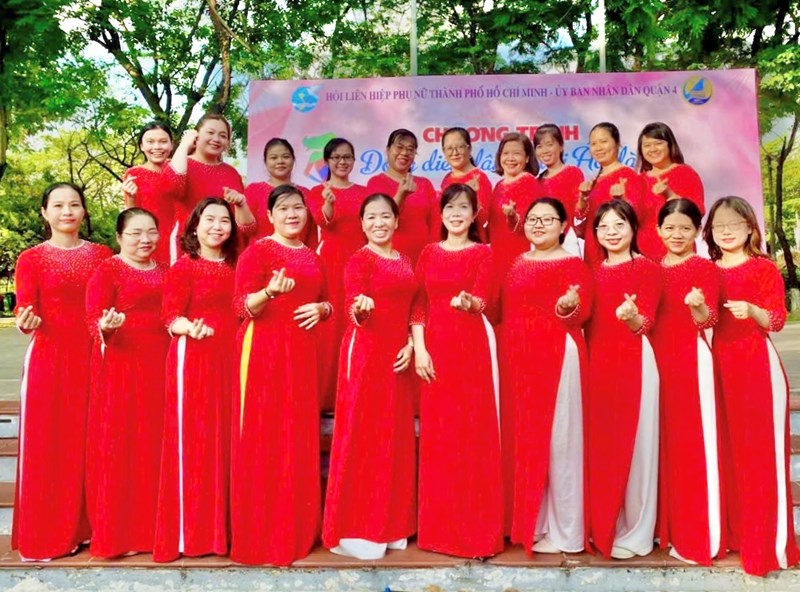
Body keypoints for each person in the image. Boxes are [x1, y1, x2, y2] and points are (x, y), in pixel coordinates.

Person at [230, 185, 331, 566]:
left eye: (298, 208)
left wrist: (322, 310)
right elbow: (241, 306)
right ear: (270, 215)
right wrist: (269, 293)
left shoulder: (313, 256)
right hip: (263, 351)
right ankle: (260, 534)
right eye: (284, 208)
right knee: (264, 435)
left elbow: (327, 301)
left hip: (302, 353)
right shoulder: (257, 252)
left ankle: (296, 529)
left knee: (297, 434)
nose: (292, 214)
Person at [11, 183, 112, 561]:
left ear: (84, 211)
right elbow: (25, 310)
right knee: (52, 442)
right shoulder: (31, 259)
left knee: (93, 440)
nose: (67, 211)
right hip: (50, 360)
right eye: (58, 205)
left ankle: (92, 527)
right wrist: (26, 320)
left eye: (74, 204)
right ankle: (50, 531)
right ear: (44, 212)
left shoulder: (102, 255)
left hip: (95, 355)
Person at [704, 196, 799, 576]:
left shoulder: (763, 268)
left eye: (734, 224)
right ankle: (736, 535)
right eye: (719, 226)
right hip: (716, 367)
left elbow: (776, 320)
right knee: (726, 454)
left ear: (750, 228)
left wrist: (753, 310)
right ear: (710, 232)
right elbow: (704, 319)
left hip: (756, 366)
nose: (726, 231)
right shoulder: (707, 270)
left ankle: (765, 543)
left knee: (759, 456)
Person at [323, 193, 417, 560]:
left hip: (398, 358)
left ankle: (390, 524)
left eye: (385, 216)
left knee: (393, 437)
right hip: (365, 354)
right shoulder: (358, 260)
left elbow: (414, 306)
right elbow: (353, 304)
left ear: (396, 221)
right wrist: (361, 310)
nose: (379, 223)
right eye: (371, 217)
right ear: (362, 224)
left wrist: (411, 342)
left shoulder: (404, 260)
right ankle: (353, 528)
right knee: (361, 435)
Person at [410, 184, 503, 558]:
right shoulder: (429, 253)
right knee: (440, 438)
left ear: (475, 213)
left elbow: (485, 299)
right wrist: (420, 349)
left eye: (463, 207)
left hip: (471, 351)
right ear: (441, 213)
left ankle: (474, 533)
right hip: (434, 352)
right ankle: (438, 532)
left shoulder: (484, 254)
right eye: (450, 207)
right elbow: (418, 305)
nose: (456, 214)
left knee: (472, 436)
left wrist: (470, 303)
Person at [500, 197, 592, 555]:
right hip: (520, 363)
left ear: (564, 225)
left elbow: (582, 311)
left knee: (560, 442)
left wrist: (567, 307)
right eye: (532, 219)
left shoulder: (573, 265)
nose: (538, 225)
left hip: (557, 356)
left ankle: (566, 530)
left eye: (547, 219)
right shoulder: (517, 261)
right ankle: (531, 523)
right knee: (526, 441)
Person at [153, 198, 240, 562]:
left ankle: (225, 531)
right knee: (196, 442)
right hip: (195, 359)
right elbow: (169, 317)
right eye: (210, 220)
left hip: (232, 359)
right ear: (194, 226)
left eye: (225, 221)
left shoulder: (239, 266)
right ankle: (193, 534)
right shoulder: (183, 268)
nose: (218, 226)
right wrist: (190, 327)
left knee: (228, 441)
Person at [85, 208, 169, 558]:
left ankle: (152, 531)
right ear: (119, 237)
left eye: (151, 232)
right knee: (121, 443)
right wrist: (105, 327)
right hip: (121, 366)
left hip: (160, 365)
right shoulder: (107, 271)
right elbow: (93, 318)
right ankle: (119, 534)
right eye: (135, 233)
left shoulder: (165, 271)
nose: (145, 239)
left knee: (154, 444)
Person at [585, 199, 661, 560]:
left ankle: (638, 531)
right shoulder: (591, 272)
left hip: (635, 361)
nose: (611, 233)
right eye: (603, 227)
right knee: (603, 447)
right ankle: (605, 524)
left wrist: (631, 317)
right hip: (597, 365)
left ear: (633, 228)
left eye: (619, 225)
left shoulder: (647, 269)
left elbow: (646, 323)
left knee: (639, 445)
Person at [650, 199, 723, 566]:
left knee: (689, 444)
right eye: (670, 228)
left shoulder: (704, 268)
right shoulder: (650, 268)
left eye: (685, 228)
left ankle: (694, 530)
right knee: (658, 443)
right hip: (653, 361)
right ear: (658, 230)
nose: (677, 234)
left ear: (697, 231)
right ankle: (662, 525)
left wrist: (697, 305)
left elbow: (709, 320)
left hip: (690, 362)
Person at [307, 138, 368, 410]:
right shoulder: (317, 191)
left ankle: (355, 391)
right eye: (336, 157)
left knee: (356, 322)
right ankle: (326, 397)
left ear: (353, 161)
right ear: (327, 161)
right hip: (329, 263)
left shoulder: (365, 193)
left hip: (360, 262)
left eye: (347, 157)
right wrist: (329, 203)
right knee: (329, 328)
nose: (342, 162)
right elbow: (324, 221)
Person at [162, 113, 256, 259]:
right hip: (190, 248)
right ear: (196, 136)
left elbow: (247, 229)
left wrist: (240, 204)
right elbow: (171, 187)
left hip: (227, 253)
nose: (216, 139)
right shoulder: (182, 164)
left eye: (223, 136)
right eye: (210, 133)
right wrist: (184, 144)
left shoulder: (231, 173)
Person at [574, 122, 645, 267]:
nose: (598, 147)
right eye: (593, 144)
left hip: (616, 249)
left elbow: (638, 217)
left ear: (617, 143)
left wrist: (622, 200)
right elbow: (587, 218)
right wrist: (582, 199)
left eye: (603, 141)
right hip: (593, 247)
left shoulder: (628, 176)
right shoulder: (594, 180)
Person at [366, 129, 438, 263]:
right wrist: (401, 195)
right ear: (388, 150)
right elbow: (380, 220)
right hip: (390, 259)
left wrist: (434, 252)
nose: (404, 153)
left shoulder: (424, 184)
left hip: (424, 258)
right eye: (399, 147)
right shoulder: (376, 183)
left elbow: (435, 222)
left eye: (410, 149)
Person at [636, 122, 705, 260]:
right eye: (647, 145)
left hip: (678, 252)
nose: (652, 149)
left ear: (670, 144)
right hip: (644, 255)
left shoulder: (686, 173)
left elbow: (697, 212)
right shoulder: (639, 180)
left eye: (658, 143)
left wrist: (669, 195)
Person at [488, 132, 545, 276]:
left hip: (520, 255)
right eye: (506, 153)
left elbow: (531, 224)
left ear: (527, 158)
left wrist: (513, 217)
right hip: (497, 255)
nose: (510, 158)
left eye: (516, 153)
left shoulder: (529, 183)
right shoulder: (499, 185)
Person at [245, 138, 318, 247]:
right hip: (260, 255)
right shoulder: (254, 191)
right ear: (265, 162)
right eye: (273, 157)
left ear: (293, 160)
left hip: (297, 256)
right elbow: (245, 230)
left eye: (286, 156)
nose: (280, 161)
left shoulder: (306, 194)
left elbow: (312, 234)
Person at [122, 122, 175, 264]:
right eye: (150, 142)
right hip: (150, 241)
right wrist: (131, 197)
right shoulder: (134, 174)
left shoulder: (180, 170)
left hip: (181, 239)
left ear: (171, 145)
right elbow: (130, 218)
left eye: (163, 141)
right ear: (142, 146)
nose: (157, 147)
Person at [533, 123, 585, 256]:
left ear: (561, 146)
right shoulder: (537, 181)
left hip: (566, 240)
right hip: (541, 242)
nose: (544, 150)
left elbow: (580, 212)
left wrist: (583, 199)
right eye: (539, 146)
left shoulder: (572, 173)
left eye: (549, 144)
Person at [439, 127, 493, 242]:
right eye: (449, 148)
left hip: (473, 241)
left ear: (469, 148)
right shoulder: (446, 179)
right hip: (450, 242)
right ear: (444, 151)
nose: (455, 152)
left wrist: (474, 196)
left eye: (460, 147)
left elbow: (485, 219)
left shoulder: (479, 177)